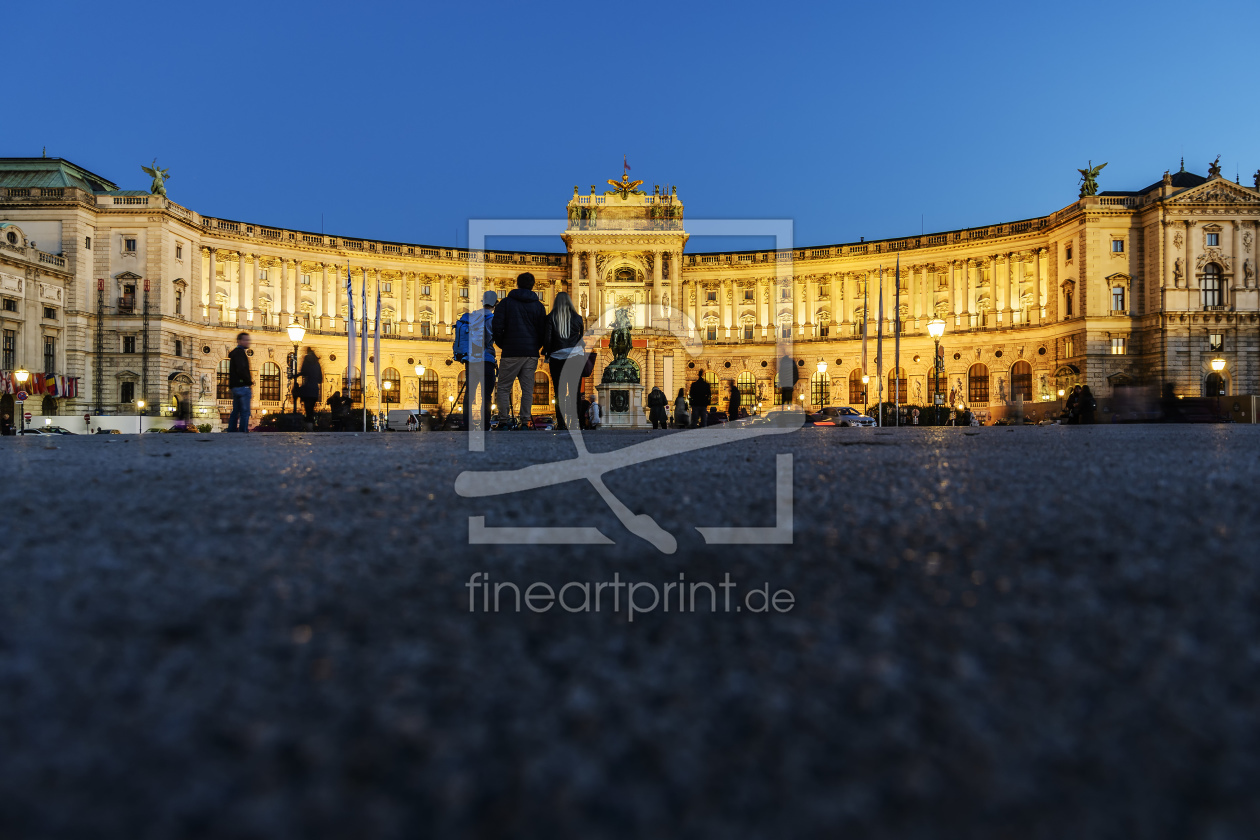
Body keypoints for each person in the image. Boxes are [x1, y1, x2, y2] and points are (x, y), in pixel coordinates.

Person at [492, 273, 547, 429]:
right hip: (531, 353)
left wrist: (504, 344)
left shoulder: (505, 303)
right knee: (527, 389)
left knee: (503, 388)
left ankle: (503, 421)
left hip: (510, 351)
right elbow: (542, 331)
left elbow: (496, 327)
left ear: (517, 284)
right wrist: (536, 346)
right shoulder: (538, 306)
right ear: (533, 285)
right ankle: (524, 422)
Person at [543, 291, 585, 431]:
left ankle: (561, 423)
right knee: (575, 392)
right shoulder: (578, 318)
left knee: (559, 392)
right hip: (575, 358)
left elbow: (548, 339)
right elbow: (581, 339)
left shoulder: (551, 318)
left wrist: (547, 353)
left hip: (557, 357)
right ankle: (575, 422)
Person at [457, 290, 498, 431]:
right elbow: (494, 339)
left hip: (471, 360)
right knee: (486, 395)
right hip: (486, 360)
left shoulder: (472, 317)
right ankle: (485, 425)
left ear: (482, 302)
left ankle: (467, 424)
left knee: (470, 393)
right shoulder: (492, 319)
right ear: (495, 304)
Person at [226, 332, 253, 432]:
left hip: (235, 387)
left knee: (236, 411)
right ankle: (243, 431)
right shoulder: (240, 353)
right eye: (245, 340)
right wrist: (248, 381)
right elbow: (241, 369)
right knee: (245, 411)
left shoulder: (235, 353)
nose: (248, 342)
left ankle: (231, 430)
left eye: (248, 340)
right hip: (242, 386)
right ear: (239, 341)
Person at [297, 348, 323, 429]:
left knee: (308, 410)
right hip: (315, 390)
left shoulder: (307, 359)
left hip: (308, 390)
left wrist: (296, 375)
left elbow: (303, 371)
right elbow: (320, 379)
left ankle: (308, 426)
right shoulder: (317, 363)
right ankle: (311, 426)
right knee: (310, 410)